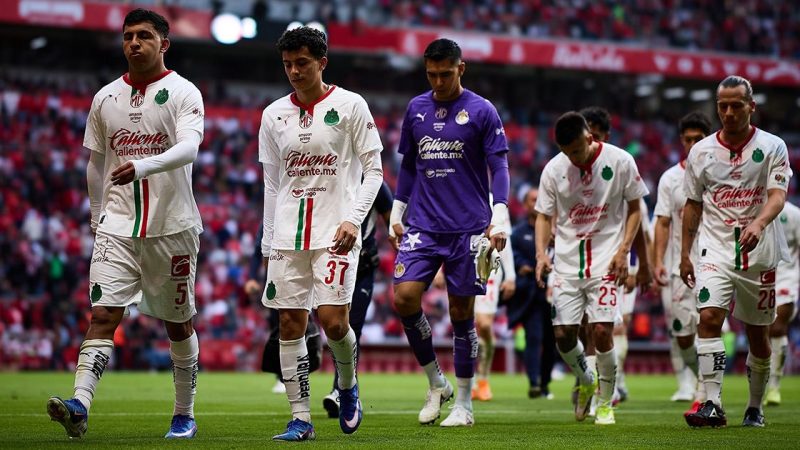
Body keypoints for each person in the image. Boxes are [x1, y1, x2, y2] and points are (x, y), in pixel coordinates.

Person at [46, 9, 205, 439]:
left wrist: (142, 166)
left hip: (172, 226)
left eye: (144, 36)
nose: (134, 43)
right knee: (102, 314)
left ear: (164, 43)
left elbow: (189, 149)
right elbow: (96, 163)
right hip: (116, 226)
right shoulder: (105, 98)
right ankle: (80, 404)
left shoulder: (183, 92)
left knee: (178, 322)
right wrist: (97, 215)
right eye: (128, 36)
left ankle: (184, 414)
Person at [258, 26, 383, 441]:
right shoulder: (273, 115)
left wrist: (354, 219)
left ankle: (347, 384)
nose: (294, 72)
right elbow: (272, 184)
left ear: (322, 63)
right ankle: (300, 418)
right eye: (288, 65)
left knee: (332, 323)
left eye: (302, 63)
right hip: (287, 235)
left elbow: (374, 171)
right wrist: (267, 241)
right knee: (289, 323)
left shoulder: (351, 105)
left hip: (336, 233)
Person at [390, 38, 510, 427]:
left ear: (461, 68)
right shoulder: (416, 108)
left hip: (469, 226)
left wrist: (500, 212)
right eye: (432, 74)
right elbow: (409, 165)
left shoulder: (482, 110)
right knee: (404, 298)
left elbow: (499, 166)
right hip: (423, 224)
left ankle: (464, 404)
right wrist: (397, 210)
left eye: (445, 74)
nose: (438, 82)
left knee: (461, 313)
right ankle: (436, 383)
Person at [681, 75, 792, 428]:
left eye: (736, 106)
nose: (728, 113)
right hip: (715, 249)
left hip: (759, 255)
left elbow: (778, 195)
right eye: (722, 106)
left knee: (758, 335)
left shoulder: (773, 146)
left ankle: (755, 407)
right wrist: (684, 253)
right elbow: (693, 204)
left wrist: (759, 223)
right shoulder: (701, 151)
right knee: (709, 318)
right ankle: (712, 403)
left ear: (751, 106)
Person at [535, 112, 649, 426]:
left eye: (576, 151)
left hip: (606, 260)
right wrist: (541, 255)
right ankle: (586, 378)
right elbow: (543, 215)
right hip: (567, 264)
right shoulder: (554, 169)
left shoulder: (621, 161)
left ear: (590, 138)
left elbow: (636, 208)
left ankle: (605, 403)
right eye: (566, 152)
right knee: (563, 336)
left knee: (601, 331)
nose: (572, 158)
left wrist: (624, 251)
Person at [580, 106, 652, 405]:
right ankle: (592, 382)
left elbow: (641, 228)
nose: (591, 142)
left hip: (620, 264)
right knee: (587, 327)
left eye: (596, 135)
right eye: (587, 135)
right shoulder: (573, 175)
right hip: (583, 264)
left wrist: (641, 266)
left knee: (613, 326)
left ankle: (613, 386)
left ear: (606, 137)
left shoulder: (621, 171)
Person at [652, 111, 712, 415]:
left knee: (709, 328)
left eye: (698, 139)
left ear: (708, 139)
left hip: (714, 264)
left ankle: (705, 391)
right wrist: (658, 262)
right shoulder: (670, 178)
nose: (693, 144)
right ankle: (701, 379)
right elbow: (662, 222)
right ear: (681, 141)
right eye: (688, 139)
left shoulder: (720, 174)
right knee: (683, 334)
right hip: (679, 266)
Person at [322, 181, 393, 417]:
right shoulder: (329, 174)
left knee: (352, 326)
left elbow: (392, 220)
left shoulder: (372, 182)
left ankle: (340, 389)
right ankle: (342, 387)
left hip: (362, 266)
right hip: (330, 262)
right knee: (333, 325)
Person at [508, 187, 555, 398]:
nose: (536, 203)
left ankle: (545, 383)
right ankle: (534, 382)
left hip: (554, 293)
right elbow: (511, 254)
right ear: (525, 204)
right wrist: (522, 266)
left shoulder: (555, 230)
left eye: (539, 199)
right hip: (530, 294)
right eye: (532, 200)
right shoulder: (518, 232)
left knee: (552, 341)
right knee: (534, 337)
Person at [472, 199, 515, 401]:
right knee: (466, 325)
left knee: (484, 324)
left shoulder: (496, 202)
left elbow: (505, 241)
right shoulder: (458, 192)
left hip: (488, 268)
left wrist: (511, 276)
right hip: (462, 265)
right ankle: (470, 381)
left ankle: (483, 378)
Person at [765, 200, 800, 406]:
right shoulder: (754, 208)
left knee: (777, 326)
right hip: (760, 276)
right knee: (761, 329)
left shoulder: (794, 214)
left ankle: (774, 387)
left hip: (787, 278)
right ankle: (759, 385)